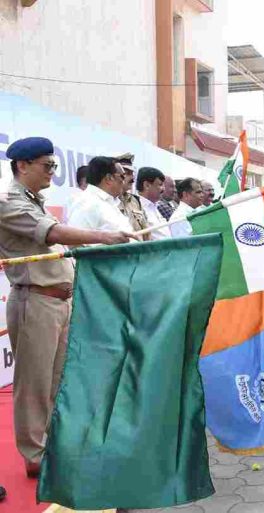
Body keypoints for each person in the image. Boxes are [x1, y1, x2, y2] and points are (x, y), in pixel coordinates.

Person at [1, 137, 132, 477]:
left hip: (58, 299)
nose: (52, 172)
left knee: (58, 379)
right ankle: (35, 454)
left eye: (54, 166)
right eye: (47, 166)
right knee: (34, 383)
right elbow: (52, 233)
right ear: (22, 165)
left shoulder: (34, 199)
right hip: (35, 298)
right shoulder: (8, 201)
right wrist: (102, 237)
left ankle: (53, 443)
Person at [68, 157, 135, 234]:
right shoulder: (87, 203)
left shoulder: (109, 202)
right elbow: (77, 241)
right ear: (109, 178)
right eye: (122, 176)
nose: (123, 182)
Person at [114, 153, 149, 236]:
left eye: (132, 173)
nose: (132, 178)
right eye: (127, 173)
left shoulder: (135, 201)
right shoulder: (109, 200)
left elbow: (147, 232)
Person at [137, 167, 171, 240]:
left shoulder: (155, 207)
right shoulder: (137, 208)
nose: (163, 189)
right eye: (160, 185)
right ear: (147, 185)